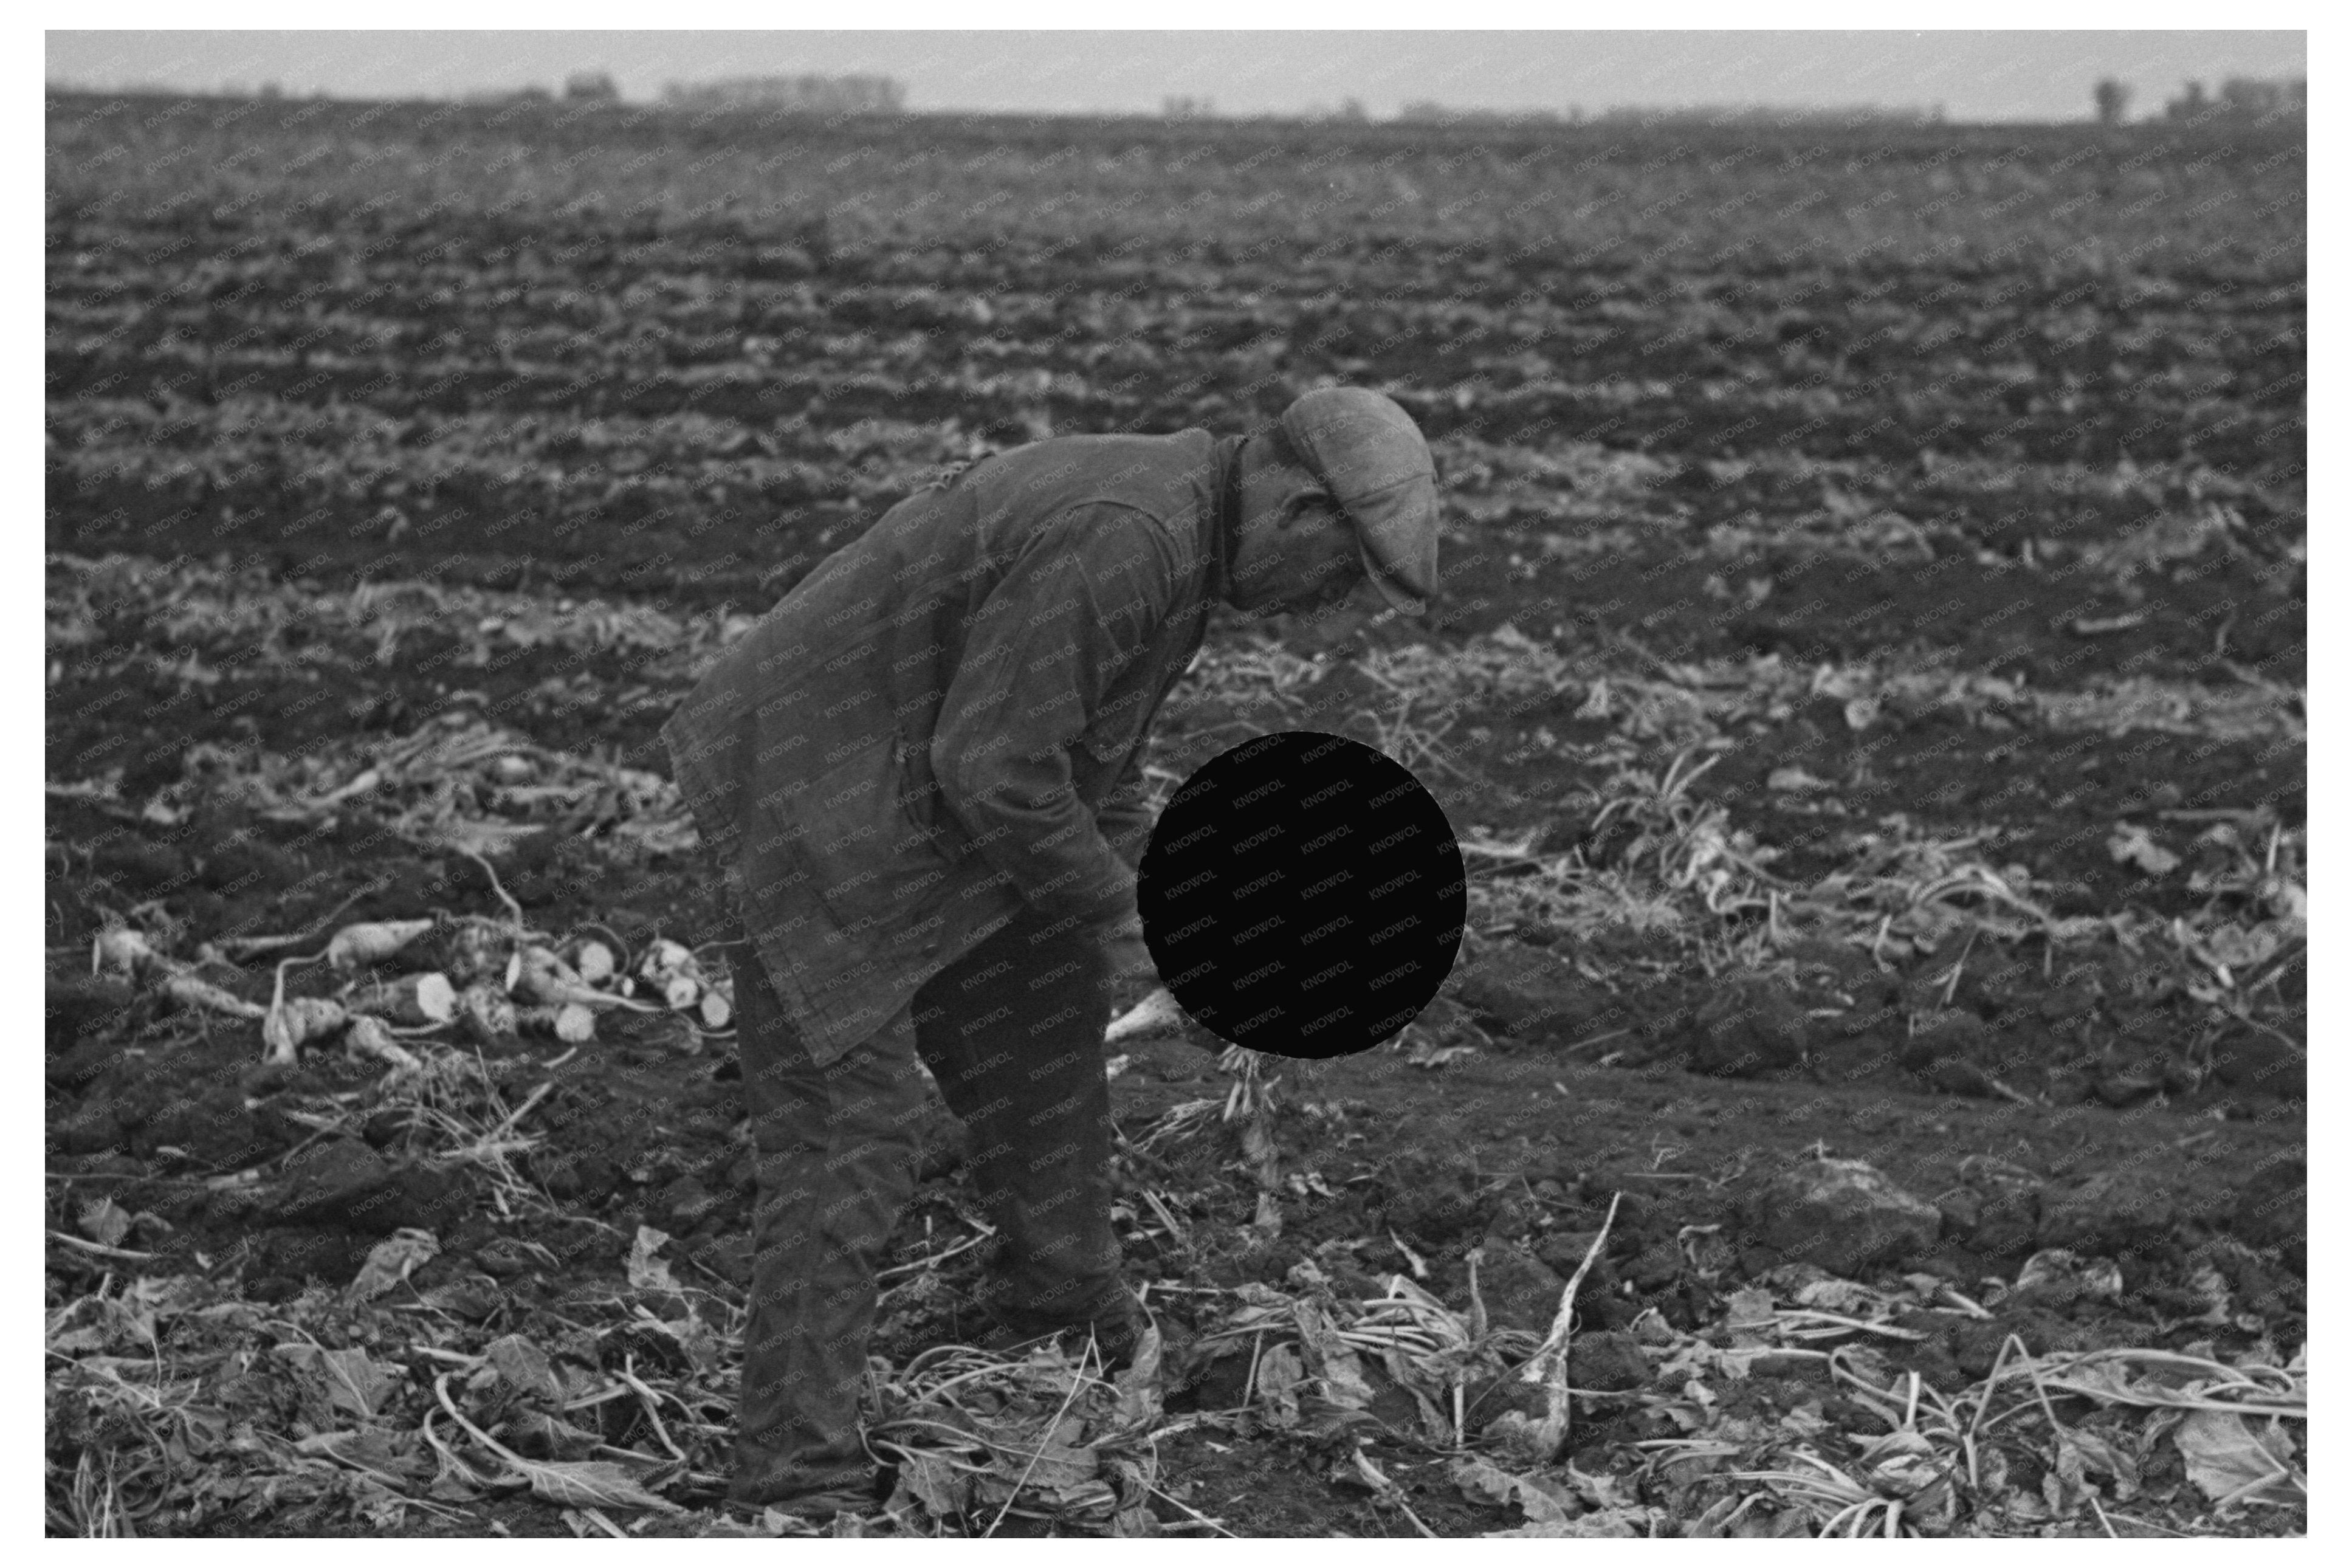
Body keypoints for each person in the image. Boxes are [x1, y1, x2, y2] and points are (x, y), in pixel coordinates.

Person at [658, 387, 1442, 1516]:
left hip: (912, 784)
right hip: (814, 795)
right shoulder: (1130, 533)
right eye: (1337, 575)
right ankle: (794, 1474)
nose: (1323, 610)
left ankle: (1057, 1299)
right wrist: (1132, 922)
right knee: (852, 1134)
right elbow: (994, 768)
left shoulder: (1178, 542)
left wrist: (1175, 931)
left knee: (1043, 1007)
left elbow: (1081, 766)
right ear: (1300, 508)